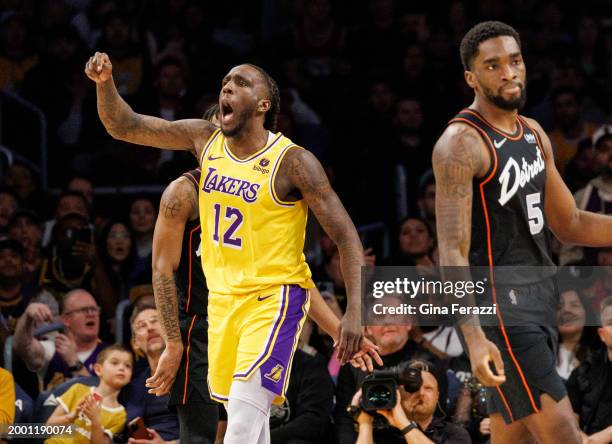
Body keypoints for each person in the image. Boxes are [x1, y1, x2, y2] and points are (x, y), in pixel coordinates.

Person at [86, 52, 367, 443]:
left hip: (274, 300)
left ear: (264, 105)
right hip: (222, 305)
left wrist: (352, 313)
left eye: (241, 82)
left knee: (239, 424)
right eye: (225, 83)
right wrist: (105, 85)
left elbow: (347, 238)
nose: (228, 86)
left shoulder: (293, 162)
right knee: (248, 418)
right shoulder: (205, 140)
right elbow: (125, 125)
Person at [432, 20, 612, 443]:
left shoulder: (532, 132)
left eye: (514, 61)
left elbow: (569, 223)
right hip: (502, 314)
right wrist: (474, 339)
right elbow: (452, 253)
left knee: (516, 439)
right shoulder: (461, 144)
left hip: (539, 300)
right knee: (567, 438)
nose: (508, 72)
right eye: (493, 66)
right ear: (471, 78)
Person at [350, 360, 471, 444]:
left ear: (437, 396)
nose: (420, 393)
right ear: (398, 393)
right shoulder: (382, 434)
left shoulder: (454, 433)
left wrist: (403, 424)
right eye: (413, 387)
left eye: (428, 388)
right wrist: (365, 423)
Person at [13, 288, 106, 390]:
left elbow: (103, 400)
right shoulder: (52, 350)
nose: (91, 314)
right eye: (83, 310)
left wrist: (75, 363)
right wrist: (27, 316)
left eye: (94, 309)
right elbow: (21, 346)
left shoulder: (111, 355)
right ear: (66, 320)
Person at [45, 344, 132, 444]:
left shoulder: (120, 415)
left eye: (127, 365)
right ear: (98, 369)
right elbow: (49, 428)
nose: (122, 368)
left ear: (130, 377)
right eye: (115, 363)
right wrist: (71, 417)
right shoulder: (78, 390)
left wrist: (95, 421)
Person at [120, 304, 180, 443]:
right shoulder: (132, 386)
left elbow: (217, 433)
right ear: (135, 343)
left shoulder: (195, 372)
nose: (150, 327)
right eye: (141, 326)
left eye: (155, 321)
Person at [566, 296, 612, 443]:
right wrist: (585, 440)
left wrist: (600, 439)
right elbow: (570, 419)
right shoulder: (583, 371)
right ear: (602, 334)